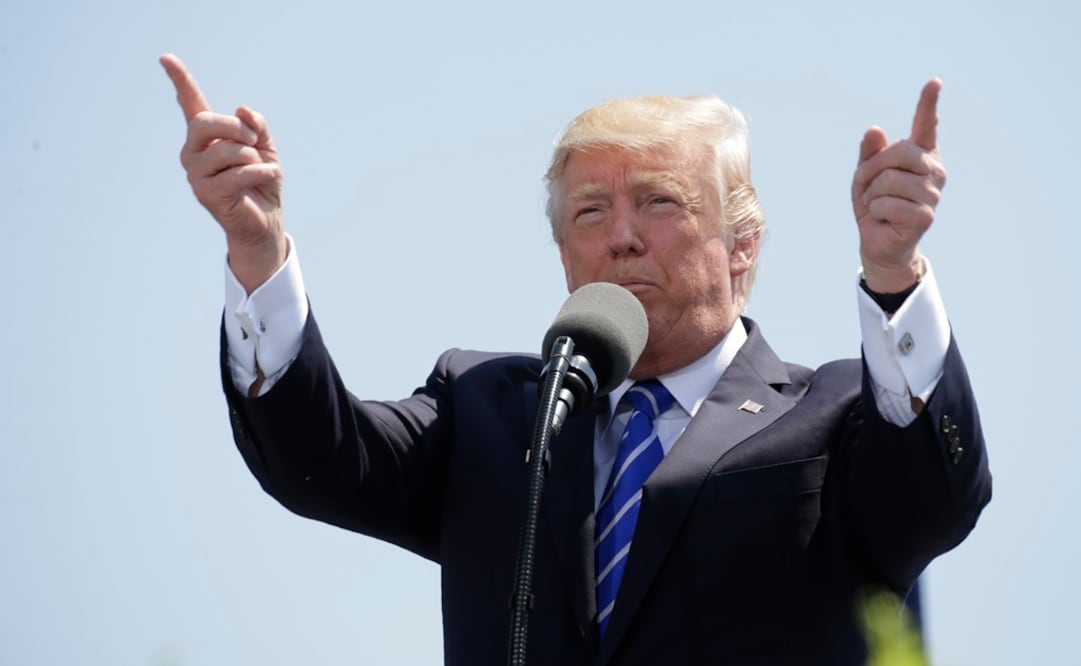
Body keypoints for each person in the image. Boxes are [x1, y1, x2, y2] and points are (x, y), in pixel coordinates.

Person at [161, 53, 991, 665]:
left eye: (659, 202)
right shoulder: (488, 406)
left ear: (743, 245)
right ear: (563, 254)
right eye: (590, 212)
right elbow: (317, 459)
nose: (621, 235)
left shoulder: (837, 415)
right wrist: (258, 251)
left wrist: (892, 278)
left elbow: (935, 498)